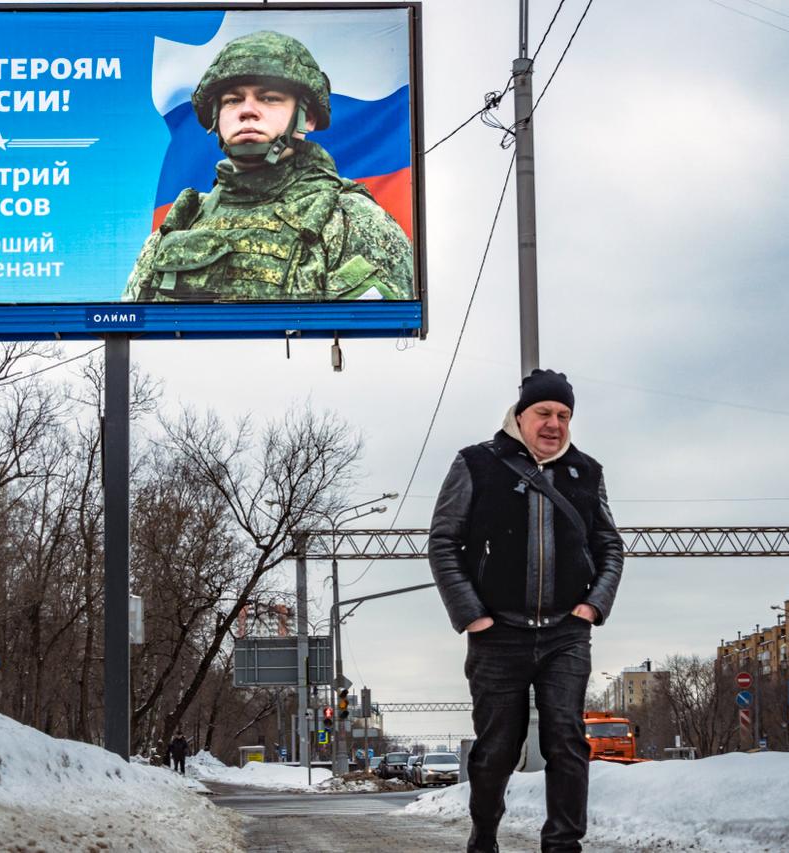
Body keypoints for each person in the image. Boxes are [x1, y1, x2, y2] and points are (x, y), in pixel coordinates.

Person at [428, 370, 624, 853]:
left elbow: (610, 546)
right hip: (497, 633)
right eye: (544, 413)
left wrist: (593, 605)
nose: (554, 423)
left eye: (564, 415)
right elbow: (443, 542)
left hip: (566, 633)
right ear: (520, 416)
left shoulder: (587, 471)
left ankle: (562, 845)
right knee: (496, 751)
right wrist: (472, 614)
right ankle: (485, 837)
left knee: (567, 740)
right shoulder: (477, 463)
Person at [123, 30, 413, 302]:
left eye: (269, 98)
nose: (248, 110)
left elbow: (379, 343)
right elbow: (133, 340)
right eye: (233, 100)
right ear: (216, 118)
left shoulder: (351, 221)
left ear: (307, 118)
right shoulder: (177, 229)